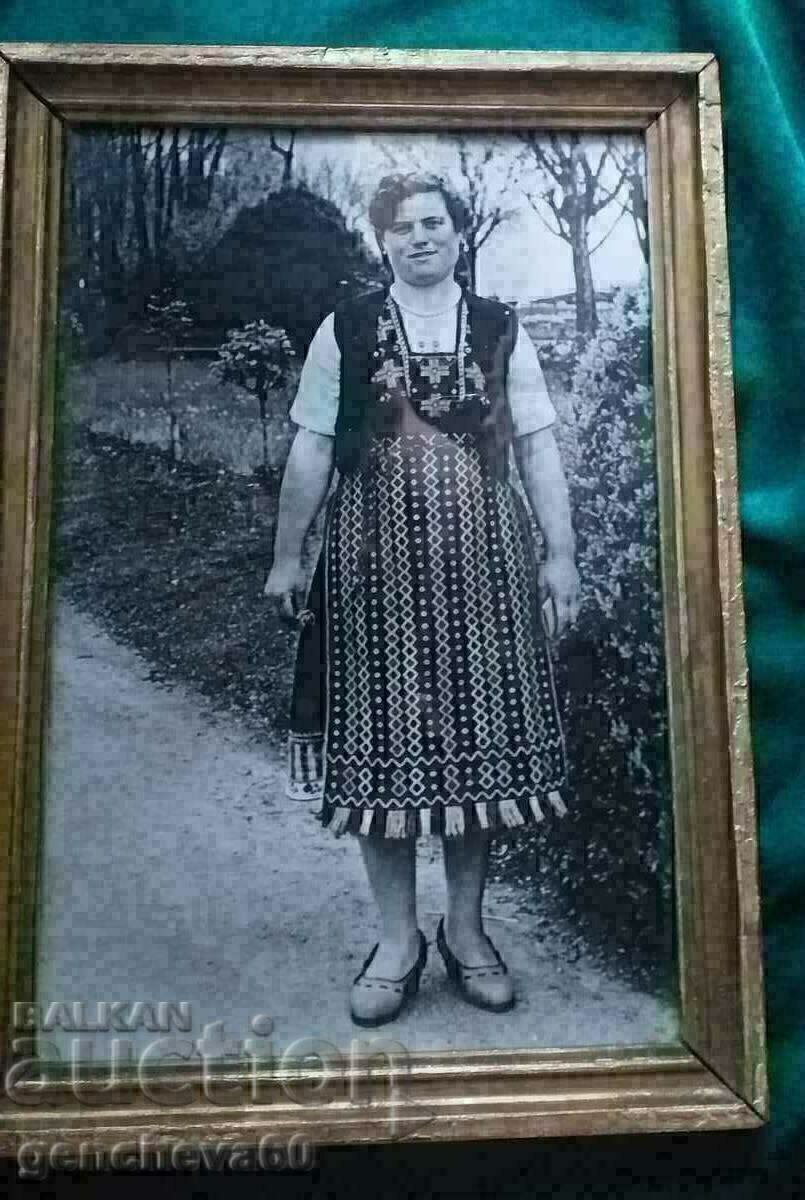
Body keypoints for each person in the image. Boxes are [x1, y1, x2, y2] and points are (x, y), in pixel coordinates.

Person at [265, 171, 580, 1027]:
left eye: (434, 223)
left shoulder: (501, 329)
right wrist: (288, 557)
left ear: (458, 233)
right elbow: (311, 449)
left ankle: (467, 935)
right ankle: (396, 941)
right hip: (373, 579)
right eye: (402, 227)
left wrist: (562, 556)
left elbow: (540, 448)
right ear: (383, 241)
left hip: (485, 575)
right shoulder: (348, 329)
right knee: (383, 754)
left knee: (478, 752)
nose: (420, 238)